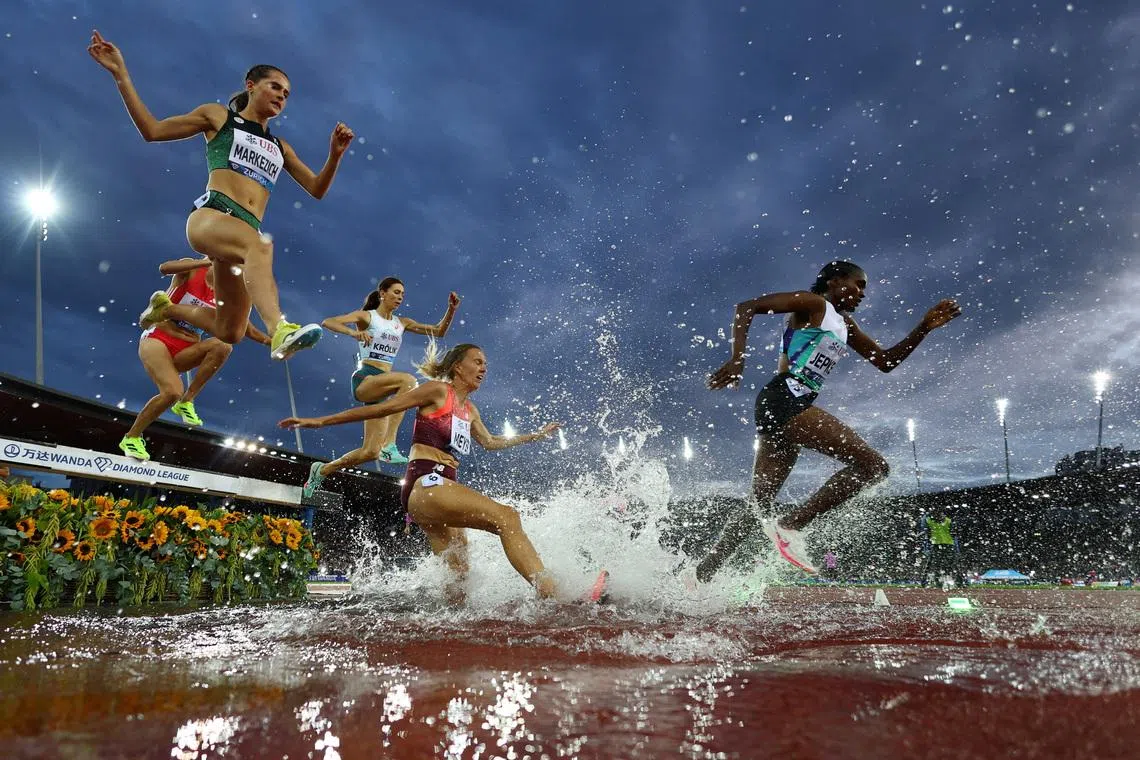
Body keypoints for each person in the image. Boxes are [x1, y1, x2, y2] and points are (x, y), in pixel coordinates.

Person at [87, 30, 354, 360]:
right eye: (275, 86)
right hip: (212, 217)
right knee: (261, 245)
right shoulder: (219, 117)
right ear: (251, 85)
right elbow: (152, 131)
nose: (281, 96)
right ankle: (279, 329)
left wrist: (335, 155)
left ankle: (168, 310)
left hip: (242, 237)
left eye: (286, 94)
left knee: (231, 330)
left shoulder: (281, 147)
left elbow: (316, 189)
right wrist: (121, 75)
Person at [698, 260, 961, 579]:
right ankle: (791, 526)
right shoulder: (814, 304)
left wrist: (923, 328)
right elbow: (747, 307)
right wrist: (738, 358)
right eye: (858, 284)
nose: (863, 293)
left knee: (759, 504)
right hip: (785, 398)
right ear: (835, 281)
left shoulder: (845, 325)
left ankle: (700, 575)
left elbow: (886, 361)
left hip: (782, 405)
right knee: (874, 467)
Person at [280, 343, 567, 604]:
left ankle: (447, 636)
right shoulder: (438, 391)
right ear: (458, 366)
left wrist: (535, 436)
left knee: (459, 579)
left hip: (435, 492)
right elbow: (384, 408)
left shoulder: (470, 410)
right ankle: (550, 593)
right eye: (477, 362)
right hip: (427, 483)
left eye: (485, 364)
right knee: (507, 517)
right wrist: (320, 421)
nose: (484, 368)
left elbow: (491, 443)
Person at [301, 279, 461, 496]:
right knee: (408, 381)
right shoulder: (367, 317)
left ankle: (322, 471)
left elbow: (438, 331)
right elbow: (329, 322)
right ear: (382, 293)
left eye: (402, 294)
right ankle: (390, 444)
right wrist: (353, 333)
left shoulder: (401, 323)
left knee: (370, 452)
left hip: (383, 386)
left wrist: (451, 310)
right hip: (366, 379)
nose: (400, 297)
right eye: (396, 292)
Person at [120, 257, 270, 461]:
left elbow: (246, 328)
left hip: (187, 349)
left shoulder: (224, 296)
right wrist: (204, 263)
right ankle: (132, 437)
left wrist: (270, 341)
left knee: (223, 345)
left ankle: (187, 400)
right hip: (158, 339)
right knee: (171, 392)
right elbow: (164, 268)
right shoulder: (192, 269)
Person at [920, 508, 964, 587]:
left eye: (940, 514)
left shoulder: (948, 521)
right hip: (937, 545)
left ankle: (960, 582)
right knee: (934, 564)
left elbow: (954, 533)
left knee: (953, 564)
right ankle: (936, 581)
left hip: (948, 544)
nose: (939, 516)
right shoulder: (930, 521)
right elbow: (924, 523)